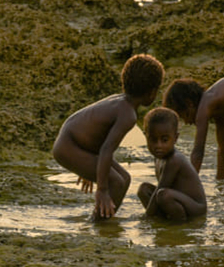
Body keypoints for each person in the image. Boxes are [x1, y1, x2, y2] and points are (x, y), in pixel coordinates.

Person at [52, 53, 165, 221]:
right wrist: (102, 189)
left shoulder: (120, 102)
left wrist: (88, 166)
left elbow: (95, 134)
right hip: (69, 147)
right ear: (152, 93)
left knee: (125, 178)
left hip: (77, 143)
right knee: (116, 183)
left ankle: (105, 218)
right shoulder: (128, 115)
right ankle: (98, 223)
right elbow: (106, 150)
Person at [136, 108, 206, 221]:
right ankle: (160, 220)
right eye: (153, 140)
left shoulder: (174, 160)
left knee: (164, 195)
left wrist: (145, 219)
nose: (158, 145)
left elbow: (161, 189)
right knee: (143, 189)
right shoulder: (158, 156)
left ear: (175, 138)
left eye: (164, 140)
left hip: (195, 208)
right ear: (146, 137)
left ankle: (179, 225)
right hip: (176, 200)